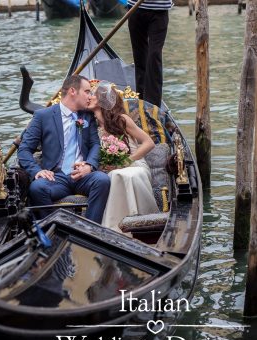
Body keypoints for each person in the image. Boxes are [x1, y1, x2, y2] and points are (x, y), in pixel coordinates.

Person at [18, 74, 110, 223]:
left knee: (102, 180)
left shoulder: (87, 116)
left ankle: (90, 230)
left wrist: (89, 166)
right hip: (56, 177)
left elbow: (95, 144)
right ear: (73, 91)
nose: (90, 96)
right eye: (87, 91)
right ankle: (53, 229)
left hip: (82, 176)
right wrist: (37, 171)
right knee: (37, 188)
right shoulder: (43, 116)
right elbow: (24, 150)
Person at [89, 81, 158, 232]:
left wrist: (127, 160)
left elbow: (148, 143)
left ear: (102, 100)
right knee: (115, 174)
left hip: (134, 163)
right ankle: (117, 227)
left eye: (92, 94)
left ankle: (142, 223)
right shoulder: (90, 126)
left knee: (128, 174)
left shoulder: (122, 119)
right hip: (111, 169)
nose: (88, 97)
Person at [127, 0, 172, 107]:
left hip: (159, 10)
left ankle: (153, 106)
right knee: (139, 56)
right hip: (135, 7)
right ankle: (141, 100)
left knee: (154, 55)